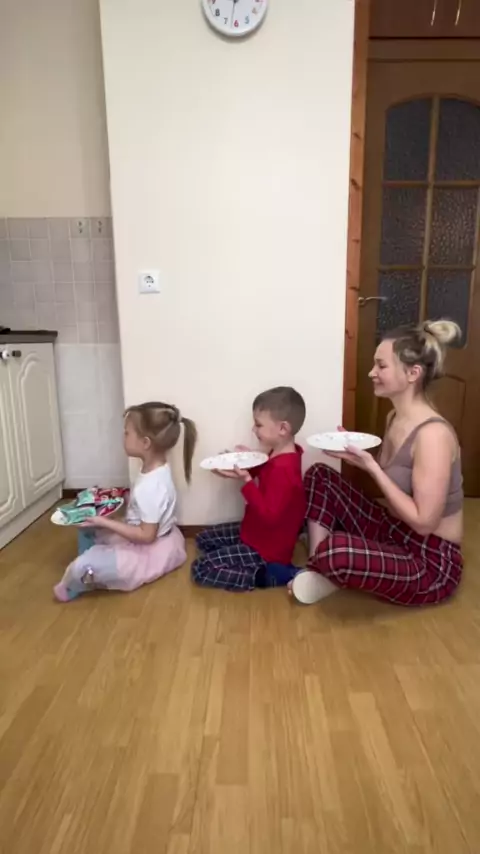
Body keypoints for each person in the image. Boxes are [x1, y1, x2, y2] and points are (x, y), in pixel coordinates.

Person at [290, 320, 464, 607]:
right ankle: (318, 566)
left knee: (336, 549)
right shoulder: (394, 417)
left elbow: (424, 523)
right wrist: (358, 460)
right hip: (394, 529)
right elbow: (397, 481)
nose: (372, 373)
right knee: (320, 475)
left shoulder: (433, 435)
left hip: (430, 561)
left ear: (413, 373)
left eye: (381, 366)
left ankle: (328, 563)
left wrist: (371, 467)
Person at [53, 402, 197, 602]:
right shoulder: (157, 469)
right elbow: (150, 507)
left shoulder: (151, 487)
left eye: (127, 433)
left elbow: (146, 536)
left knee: (80, 567)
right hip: (151, 535)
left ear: (145, 443)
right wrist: (121, 500)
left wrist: (105, 521)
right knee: (88, 527)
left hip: (144, 549)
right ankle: (95, 555)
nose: (124, 437)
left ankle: (73, 585)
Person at [192, 387, 307, 591]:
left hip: (267, 550)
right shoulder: (279, 454)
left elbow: (269, 516)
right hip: (253, 531)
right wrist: (243, 463)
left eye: (258, 425)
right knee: (203, 539)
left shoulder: (285, 470)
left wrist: (246, 481)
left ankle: (268, 575)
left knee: (200, 569)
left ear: (283, 428)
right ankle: (238, 560)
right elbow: (265, 473)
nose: (254, 430)